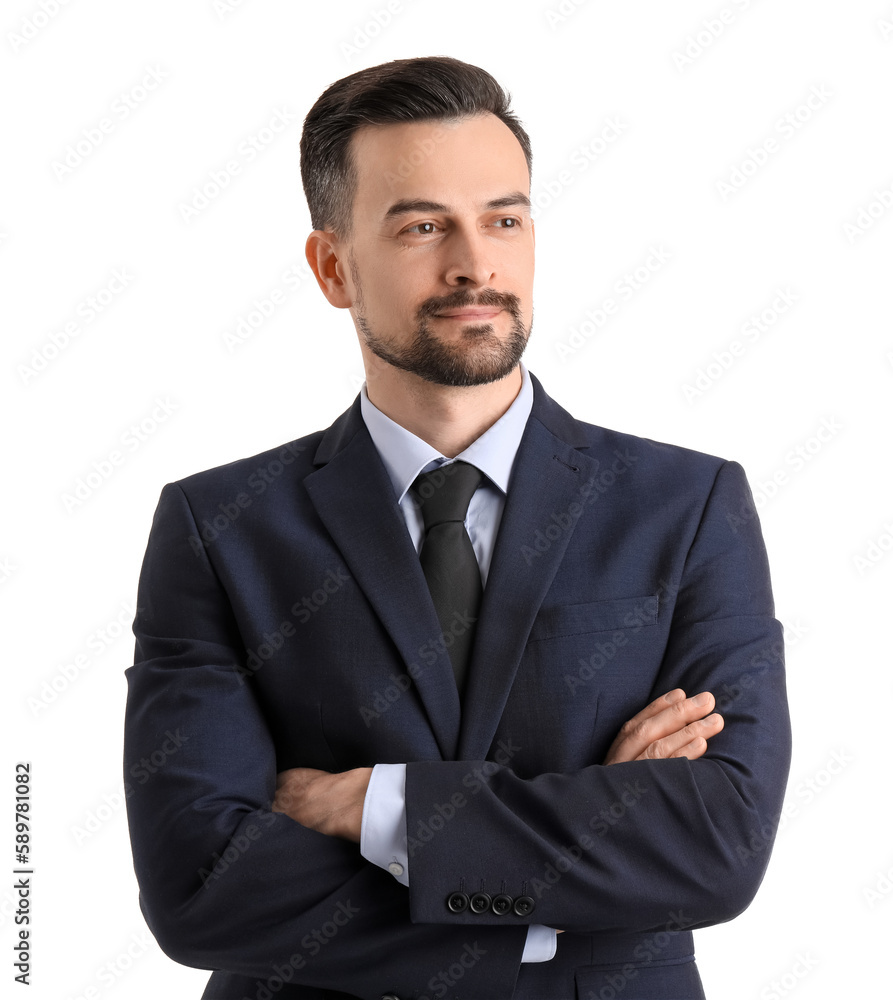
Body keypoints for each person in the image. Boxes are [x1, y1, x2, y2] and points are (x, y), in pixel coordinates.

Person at [123, 56, 791, 1000]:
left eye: (504, 220)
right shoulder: (220, 526)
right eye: (422, 225)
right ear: (332, 268)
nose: (475, 264)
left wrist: (380, 808)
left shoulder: (687, 506)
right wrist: (565, 904)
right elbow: (200, 886)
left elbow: (718, 842)